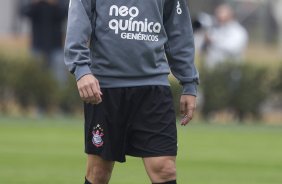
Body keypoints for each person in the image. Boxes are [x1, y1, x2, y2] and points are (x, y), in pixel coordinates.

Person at [64, 0, 199, 183]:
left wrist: (189, 82)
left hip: (154, 87)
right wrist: (81, 69)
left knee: (165, 169)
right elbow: (78, 20)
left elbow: (179, 31)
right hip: (106, 89)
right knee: (99, 172)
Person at [20, 0, 68, 84]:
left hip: (56, 46)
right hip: (37, 46)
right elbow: (23, 11)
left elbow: (66, 12)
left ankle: (59, 97)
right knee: (35, 81)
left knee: (60, 81)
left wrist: (54, 3)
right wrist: (34, 3)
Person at [202, 4, 248, 68]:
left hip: (230, 71)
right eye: (217, 13)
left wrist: (213, 41)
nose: (218, 16)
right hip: (212, 70)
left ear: (230, 15)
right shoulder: (214, 29)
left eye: (221, 13)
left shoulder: (238, 31)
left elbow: (233, 48)